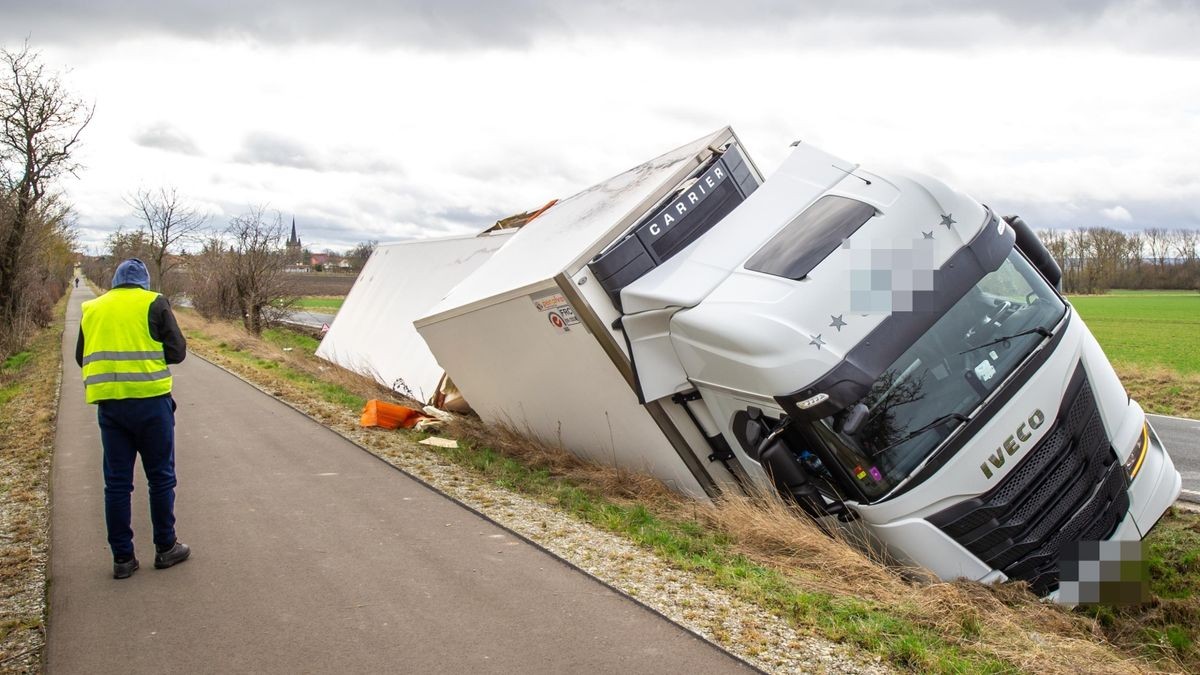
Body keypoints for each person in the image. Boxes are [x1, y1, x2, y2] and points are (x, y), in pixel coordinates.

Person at [76, 259, 190, 579]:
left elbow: (79, 357)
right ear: (144, 282)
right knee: (161, 478)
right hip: (152, 405)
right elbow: (177, 351)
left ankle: (123, 559)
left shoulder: (93, 309)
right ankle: (166, 548)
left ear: (114, 282)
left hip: (111, 407)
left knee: (116, 484)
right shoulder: (154, 302)